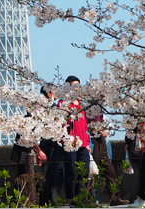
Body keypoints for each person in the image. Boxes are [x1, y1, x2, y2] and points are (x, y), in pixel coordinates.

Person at [60, 76, 91, 207]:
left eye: (78, 85)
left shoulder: (82, 105)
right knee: (71, 171)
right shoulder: (64, 104)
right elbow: (61, 124)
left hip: (82, 143)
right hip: (70, 143)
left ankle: (80, 198)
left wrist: (88, 142)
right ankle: (70, 197)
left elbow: (85, 126)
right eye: (73, 85)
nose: (76, 88)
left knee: (84, 171)